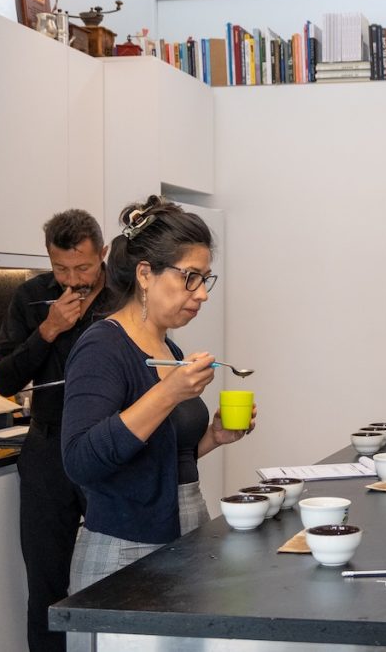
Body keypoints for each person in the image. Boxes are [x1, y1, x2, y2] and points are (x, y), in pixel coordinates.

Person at [61, 196, 253, 595]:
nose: (202, 294)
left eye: (205, 279)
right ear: (145, 274)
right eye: (190, 277)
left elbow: (156, 457)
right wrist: (167, 394)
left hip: (184, 536)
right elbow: (80, 461)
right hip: (124, 553)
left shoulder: (171, 351)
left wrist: (212, 438)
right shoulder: (102, 347)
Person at [0, 209, 110, 652]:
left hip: (108, 445)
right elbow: (3, 380)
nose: (72, 279)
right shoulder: (29, 297)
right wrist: (48, 330)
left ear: (103, 253)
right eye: (60, 268)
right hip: (47, 448)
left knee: (121, 577)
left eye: (82, 267)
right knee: (46, 583)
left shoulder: (123, 297)